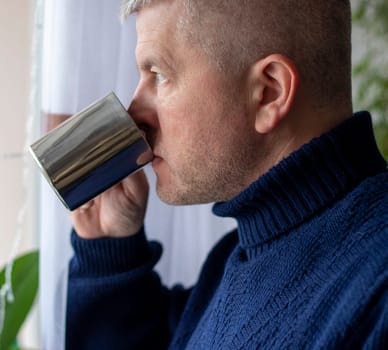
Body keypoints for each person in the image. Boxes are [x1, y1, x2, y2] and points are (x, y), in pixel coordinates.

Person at [65, 0, 388, 348]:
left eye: (159, 75)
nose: (134, 113)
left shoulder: (376, 289)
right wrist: (112, 252)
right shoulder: (232, 259)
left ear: (269, 92)